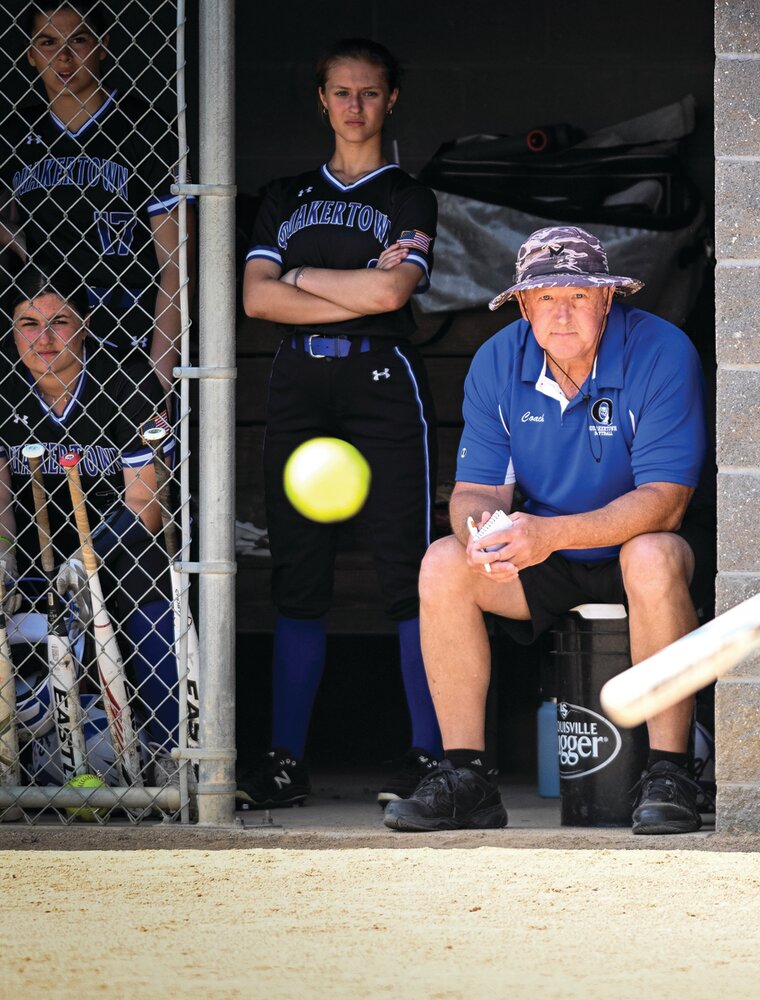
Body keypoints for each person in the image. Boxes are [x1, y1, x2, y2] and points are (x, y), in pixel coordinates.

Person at [383, 225, 710, 836]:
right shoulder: (499, 360)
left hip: (634, 545)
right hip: (545, 549)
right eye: (546, 296)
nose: (562, 312)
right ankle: (467, 779)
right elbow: (478, 492)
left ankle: (673, 772)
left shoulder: (661, 350)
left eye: (579, 296)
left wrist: (549, 535)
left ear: (607, 300)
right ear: (524, 304)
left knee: (653, 554)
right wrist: (484, 535)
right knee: (443, 562)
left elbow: (665, 503)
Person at [239, 38, 440, 809]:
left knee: (407, 569)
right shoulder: (284, 194)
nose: (355, 106)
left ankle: (430, 756)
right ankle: (285, 760)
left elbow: (394, 298)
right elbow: (257, 299)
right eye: (341, 92)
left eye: (370, 93)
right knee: (298, 574)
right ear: (320, 100)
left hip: (383, 379)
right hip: (297, 381)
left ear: (392, 101)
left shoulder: (408, 196)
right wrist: (351, 283)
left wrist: (300, 275)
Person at [0, 268, 179, 778]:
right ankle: (28, 723)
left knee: (146, 568)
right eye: (28, 324)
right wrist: (6, 562)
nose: (45, 338)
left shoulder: (128, 382)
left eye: (60, 322)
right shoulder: (4, 386)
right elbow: (3, 505)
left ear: (86, 328)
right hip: (37, 545)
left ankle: (171, 751)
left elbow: (146, 505)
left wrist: (85, 561)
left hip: (119, 544)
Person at [0, 2, 191, 387]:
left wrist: (160, 377)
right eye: (48, 42)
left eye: (79, 40)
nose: (65, 57)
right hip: (48, 335)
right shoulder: (15, 134)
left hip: (130, 327)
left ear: (103, 45)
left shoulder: (145, 129)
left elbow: (177, 267)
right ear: (31, 54)